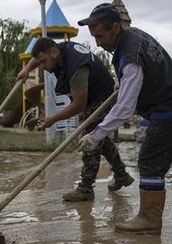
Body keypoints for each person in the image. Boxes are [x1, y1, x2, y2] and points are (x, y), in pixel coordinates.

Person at [76, 3, 172, 233]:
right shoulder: (132, 36)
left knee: (150, 161)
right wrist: (122, 82)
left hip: (169, 106)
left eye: (100, 36)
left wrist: (96, 135)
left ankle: (149, 219)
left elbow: (124, 109)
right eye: (93, 37)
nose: (98, 43)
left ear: (116, 27)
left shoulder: (131, 56)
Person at [17, 37, 134, 201]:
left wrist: (53, 119)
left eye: (43, 62)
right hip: (92, 95)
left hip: (102, 98)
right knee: (100, 138)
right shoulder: (57, 50)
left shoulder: (76, 68)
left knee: (90, 140)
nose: (42, 67)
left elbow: (78, 106)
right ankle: (122, 175)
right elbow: (38, 58)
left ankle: (86, 188)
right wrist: (26, 70)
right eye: (39, 63)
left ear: (54, 53)